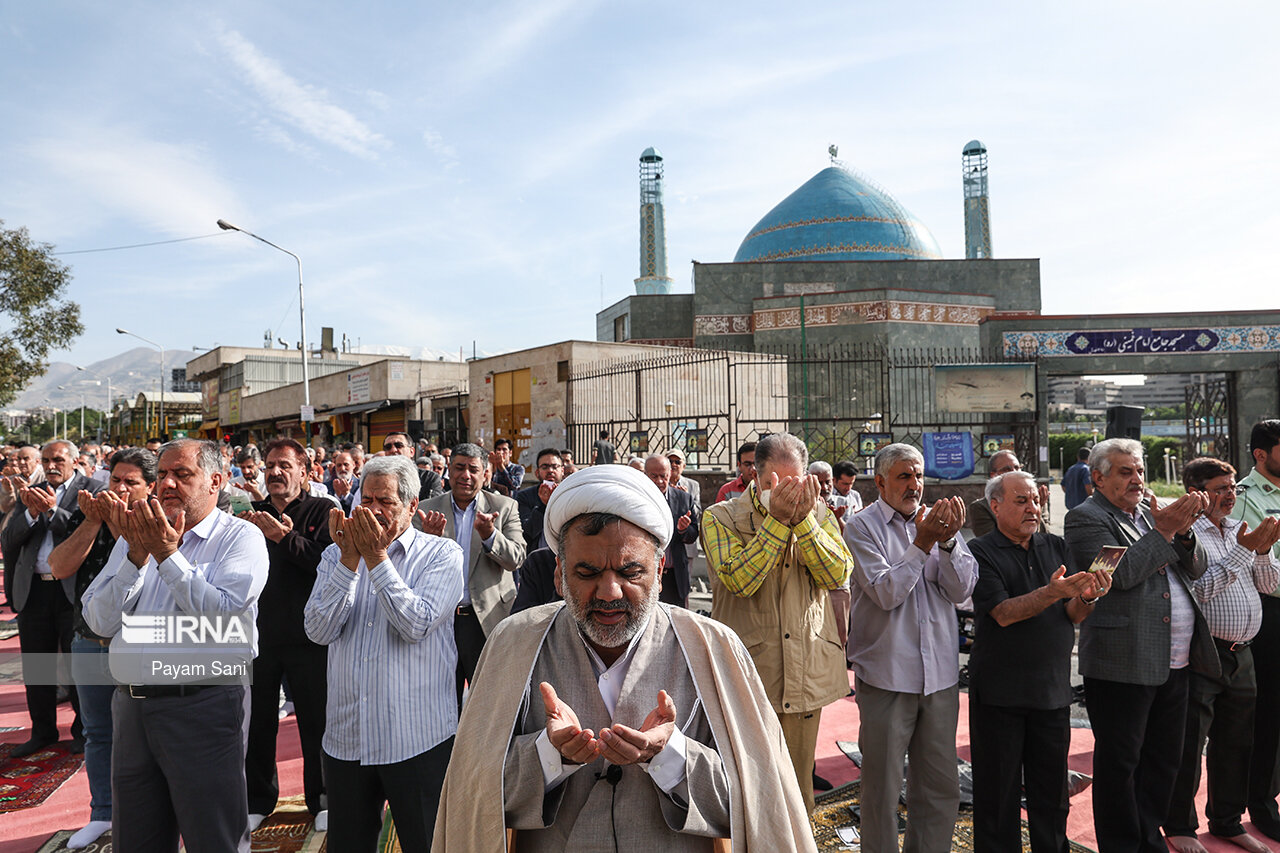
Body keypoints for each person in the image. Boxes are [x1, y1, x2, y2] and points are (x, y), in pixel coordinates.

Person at [433, 464, 818, 852]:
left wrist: (671, 757)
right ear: (558, 575)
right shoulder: (513, 643)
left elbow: (761, 806)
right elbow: (472, 799)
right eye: (587, 573)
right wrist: (550, 755)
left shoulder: (714, 649)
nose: (610, 592)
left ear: (660, 571)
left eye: (630, 572)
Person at [81, 439, 269, 852]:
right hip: (131, 708)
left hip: (202, 705)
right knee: (136, 839)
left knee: (213, 838)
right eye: (162, 474)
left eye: (182, 474)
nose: (166, 484)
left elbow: (222, 617)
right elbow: (98, 619)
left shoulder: (240, 539)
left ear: (216, 481)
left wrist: (167, 554)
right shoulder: (136, 538)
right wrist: (135, 557)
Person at [304, 454, 464, 851]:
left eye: (385, 502)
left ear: (412, 506)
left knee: (427, 842)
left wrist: (375, 560)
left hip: (416, 737)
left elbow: (416, 626)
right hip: (347, 737)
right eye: (366, 499)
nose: (373, 511)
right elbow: (317, 631)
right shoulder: (335, 556)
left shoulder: (442, 556)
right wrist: (349, 562)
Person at [1064, 437, 1213, 853]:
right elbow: (1119, 574)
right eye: (1126, 471)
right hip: (1122, 662)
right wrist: (1166, 528)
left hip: (1175, 660)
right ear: (1098, 477)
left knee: (1164, 761)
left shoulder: (1150, 513)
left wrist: (1182, 531)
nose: (1137, 480)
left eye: (1140, 471)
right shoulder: (1085, 517)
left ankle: (1148, 838)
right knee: (1121, 764)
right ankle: (1122, 845)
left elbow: (1196, 567)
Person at [702, 432, 853, 810]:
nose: (786, 490)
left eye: (795, 481)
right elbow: (738, 579)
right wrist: (777, 523)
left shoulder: (818, 516)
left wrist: (802, 523)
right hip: (750, 675)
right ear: (756, 476)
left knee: (797, 790)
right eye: (776, 482)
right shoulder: (721, 518)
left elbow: (838, 574)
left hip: (805, 674)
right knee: (748, 788)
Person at [843, 443, 978, 852]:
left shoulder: (938, 524)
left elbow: (963, 590)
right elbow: (886, 593)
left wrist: (950, 543)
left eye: (919, 475)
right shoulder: (860, 527)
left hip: (938, 678)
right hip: (888, 675)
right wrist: (922, 544)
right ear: (881, 481)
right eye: (904, 476)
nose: (914, 485)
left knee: (939, 786)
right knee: (882, 790)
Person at [968, 470, 1111, 853]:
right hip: (1001, 693)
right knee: (998, 796)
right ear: (994, 506)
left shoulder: (1056, 546)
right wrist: (1052, 592)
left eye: (1035, 500)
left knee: (1052, 796)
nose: (1033, 508)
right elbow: (1002, 612)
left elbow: (1071, 615)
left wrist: (1088, 597)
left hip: (1051, 691)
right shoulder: (980, 550)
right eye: (1021, 501)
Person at [1164, 457, 1280, 853]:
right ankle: (1179, 824)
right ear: (1196, 494)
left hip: (1243, 651)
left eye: (1233, 487)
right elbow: (1198, 592)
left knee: (1237, 744)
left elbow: (1267, 583)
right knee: (1190, 743)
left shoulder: (1237, 530)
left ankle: (1227, 821)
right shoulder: (1186, 534)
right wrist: (1243, 553)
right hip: (1204, 652)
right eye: (1220, 489)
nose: (1230, 495)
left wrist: (1261, 552)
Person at [47, 448, 157, 849]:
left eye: (132, 482)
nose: (121, 489)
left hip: (142, 646)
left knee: (150, 730)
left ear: (152, 486)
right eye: (115, 480)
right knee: (97, 732)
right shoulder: (86, 515)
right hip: (89, 641)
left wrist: (122, 526)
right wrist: (94, 522)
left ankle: (155, 813)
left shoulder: (159, 520)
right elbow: (58, 566)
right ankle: (103, 813)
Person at [239, 439, 334, 831]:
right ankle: (258, 799)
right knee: (258, 723)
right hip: (258, 637)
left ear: (306, 472)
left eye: (285, 466)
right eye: (270, 465)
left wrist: (284, 539)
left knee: (316, 722)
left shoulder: (323, 510)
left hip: (309, 636)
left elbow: (328, 563)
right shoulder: (251, 514)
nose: (275, 472)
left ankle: (323, 799)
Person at [1, 439, 104, 757]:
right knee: (38, 666)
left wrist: (51, 510)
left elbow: (89, 533)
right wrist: (30, 513)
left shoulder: (94, 489)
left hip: (73, 591)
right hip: (35, 590)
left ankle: (82, 731)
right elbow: (9, 538)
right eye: (45, 460)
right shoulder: (32, 491)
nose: (50, 466)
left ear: (75, 461)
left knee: (77, 666)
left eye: (57, 459)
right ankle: (42, 731)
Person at [418, 443, 526, 703]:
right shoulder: (427, 509)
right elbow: (410, 566)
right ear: (449, 471)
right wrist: (428, 540)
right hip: (439, 621)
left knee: (488, 703)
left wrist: (490, 536)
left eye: (473, 469)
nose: (465, 475)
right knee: (440, 703)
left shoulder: (504, 506)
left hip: (485, 622)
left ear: (485, 474)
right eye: (459, 468)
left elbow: (517, 558)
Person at [1232, 421, 1280, 840]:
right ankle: (1262, 803)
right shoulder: (1243, 499)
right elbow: (1240, 557)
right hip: (1269, 610)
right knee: (1268, 713)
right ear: (1261, 454)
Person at [642, 454, 700, 607]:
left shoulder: (683, 499)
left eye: (663, 476)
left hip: (675, 575)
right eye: (654, 476)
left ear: (670, 474)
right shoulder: (637, 498)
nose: (659, 481)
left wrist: (683, 530)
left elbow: (693, 534)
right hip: (646, 574)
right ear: (645, 475)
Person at [969, 450, 1050, 537]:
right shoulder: (981, 507)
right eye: (1007, 469)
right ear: (994, 475)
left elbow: (1045, 537)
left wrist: (1037, 509)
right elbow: (992, 542)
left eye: (1017, 467)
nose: (1015, 472)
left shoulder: (1035, 502)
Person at [514, 448, 565, 550]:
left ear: (562, 471)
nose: (550, 471)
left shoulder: (569, 493)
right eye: (545, 467)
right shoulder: (524, 496)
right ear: (537, 473)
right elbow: (526, 531)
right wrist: (543, 506)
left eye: (555, 467)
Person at [383, 431, 443, 500]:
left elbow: (432, 505)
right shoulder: (378, 478)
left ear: (412, 452)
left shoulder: (429, 478)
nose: (393, 450)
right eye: (388, 447)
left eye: (399, 445)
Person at [325, 450, 359, 515]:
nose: (342, 468)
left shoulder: (360, 485)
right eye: (339, 465)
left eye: (346, 465)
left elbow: (360, 508)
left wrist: (347, 495)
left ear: (353, 465)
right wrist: (337, 497)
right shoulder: (326, 487)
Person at [1063, 446, 1094, 510]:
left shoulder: (1070, 469)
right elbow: (1088, 488)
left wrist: (1072, 493)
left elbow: (1063, 486)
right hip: (1083, 506)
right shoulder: (1086, 469)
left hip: (1071, 505)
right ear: (1089, 458)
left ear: (1078, 457)